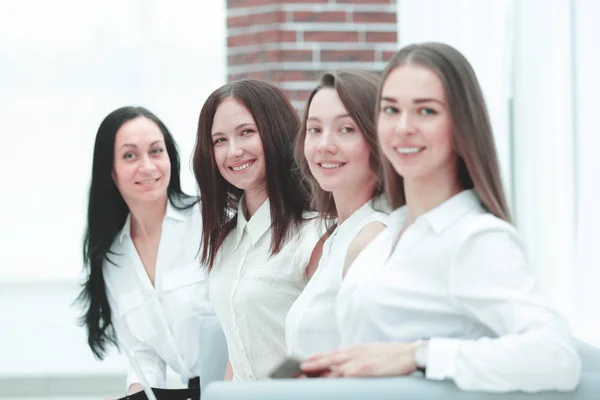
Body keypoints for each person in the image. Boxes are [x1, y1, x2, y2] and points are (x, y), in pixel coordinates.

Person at [301, 42, 582, 392]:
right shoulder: (390, 236)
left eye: (426, 111)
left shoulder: (474, 238)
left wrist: (418, 355)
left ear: (461, 124)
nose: (403, 126)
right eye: (391, 110)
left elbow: (556, 356)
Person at [78, 106, 214, 397]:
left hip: (241, 381)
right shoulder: (114, 258)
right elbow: (142, 353)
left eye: (156, 151)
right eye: (130, 155)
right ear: (110, 172)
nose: (148, 166)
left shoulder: (208, 221)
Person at [193, 79, 322, 380]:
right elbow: (237, 354)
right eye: (219, 140)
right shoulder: (224, 242)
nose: (233, 151)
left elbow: (325, 353)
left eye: (246, 132)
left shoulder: (314, 234)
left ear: (275, 132)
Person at [285, 70, 388, 359]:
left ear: (377, 139)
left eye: (346, 129)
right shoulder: (339, 234)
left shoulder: (372, 237)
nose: (324, 145)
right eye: (314, 130)